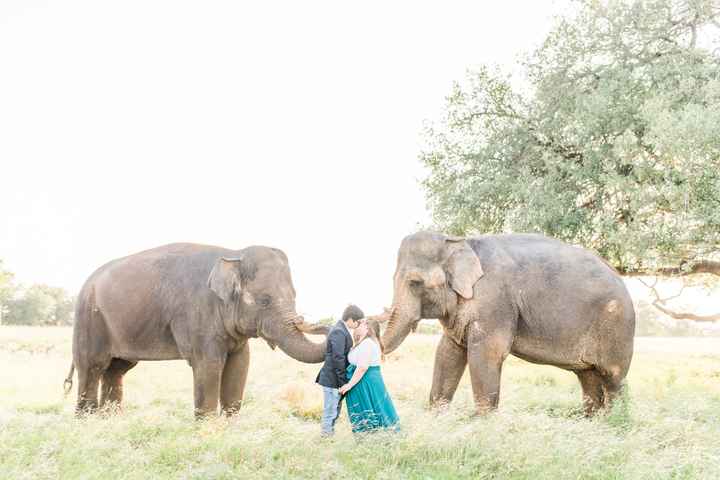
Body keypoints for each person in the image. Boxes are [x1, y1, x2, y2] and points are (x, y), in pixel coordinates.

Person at [339, 318, 399, 434]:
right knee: (369, 409)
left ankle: (380, 436)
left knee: (373, 408)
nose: (358, 325)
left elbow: (362, 367)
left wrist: (349, 385)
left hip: (366, 381)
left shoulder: (367, 344)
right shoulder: (363, 343)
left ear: (367, 328)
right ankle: (370, 437)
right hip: (362, 380)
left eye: (361, 324)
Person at [315, 304, 364, 437]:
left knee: (334, 409)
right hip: (332, 379)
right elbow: (338, 358)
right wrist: (343, 382)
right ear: (351, 319)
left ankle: (329, 435)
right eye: (358, 321)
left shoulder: (342, 329)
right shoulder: (339, 331)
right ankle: (326, 437)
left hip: (334, 377)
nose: (359, 324)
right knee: (330, 410)